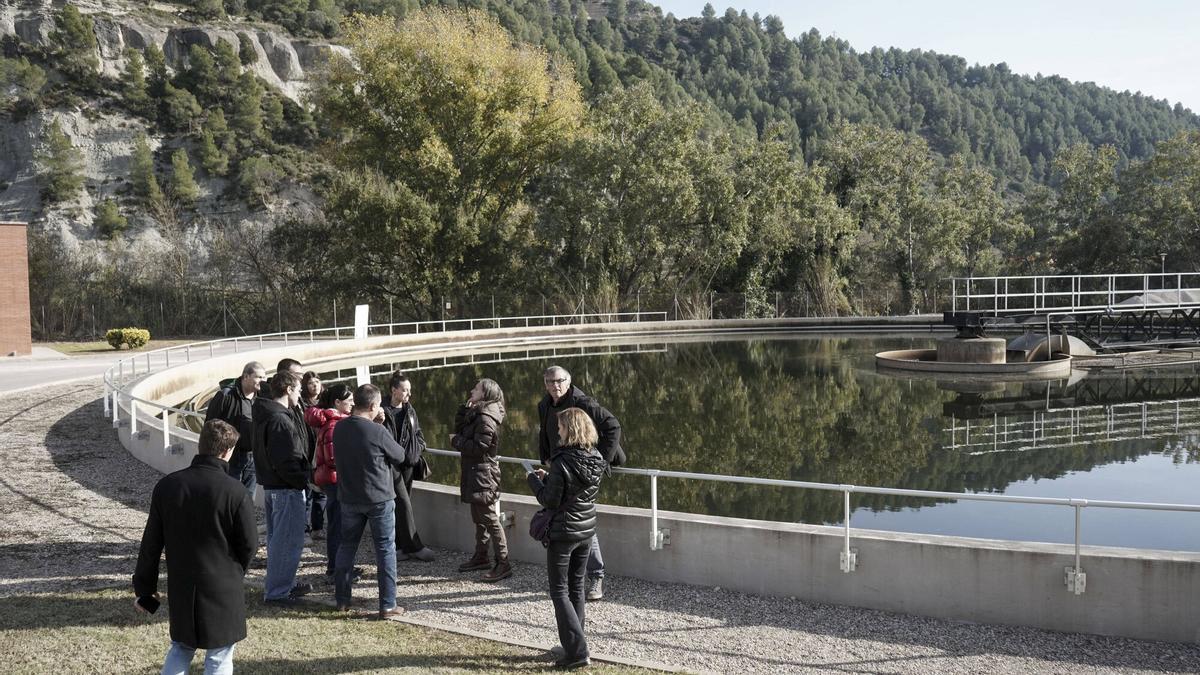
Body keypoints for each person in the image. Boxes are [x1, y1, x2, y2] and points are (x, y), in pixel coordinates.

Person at [134, 419, 258, 675]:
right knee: (220, 656)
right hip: (223, 584)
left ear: (200, 446)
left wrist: (145, 590)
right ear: (227, 452)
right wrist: (235, 573)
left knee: (181, 647)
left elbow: (151, 544)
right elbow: (248, 544)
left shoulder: (168, 486)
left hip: (183, 584)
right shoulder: (235, 491)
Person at [527, 408, 607, 670]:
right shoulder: (595, 458)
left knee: (559, 591)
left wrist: (534, 482)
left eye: (560, 428)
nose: (558, 432)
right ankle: (574, 644)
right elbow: (574, 491)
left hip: (563, 534)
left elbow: (550, 500)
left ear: (569, 429)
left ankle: (578, 652)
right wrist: (549, 478)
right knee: (575, 589)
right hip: (586, 532)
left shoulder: (562, 461)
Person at [537, 365, 623, 601]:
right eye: (549, 382)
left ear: (568, 381)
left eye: (559, 381)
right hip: (560, 467)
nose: (555, 386)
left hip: (584, 470)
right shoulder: (545, 404)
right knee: (572, 520)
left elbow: (613, 426)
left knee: (581, 519)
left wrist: (601, 462)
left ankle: (596, 575)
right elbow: (545, 432)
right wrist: (544, 457)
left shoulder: (582, 402)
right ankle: (576, 578)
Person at [331, 383, 409, 618]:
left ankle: (342, 599)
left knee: (346, 547)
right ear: (374, 406)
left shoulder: (339, 428)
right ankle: (387, 604)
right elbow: (400, 455)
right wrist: (381, 426)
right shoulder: (377, 431)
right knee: (385, 550)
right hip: (378, 498)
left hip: (348, 496)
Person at [253, 370, 313, 606]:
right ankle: (278, 592)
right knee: (287, 541)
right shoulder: (279, 419)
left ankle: (282, 584)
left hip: (273, 487)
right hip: (285, 489)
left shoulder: (266, 414)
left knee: (278, 540)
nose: (300, 395)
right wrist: (303, 479)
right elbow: (284, 460)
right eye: (298, 390)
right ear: (288, 390)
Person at [451, 378, 510, 582]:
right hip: (476, 471)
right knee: (479, 517)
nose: (471, 389)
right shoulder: (477, 412)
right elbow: (462, 430)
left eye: (476, 388)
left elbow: (479, 447)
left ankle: (503, 563)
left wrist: (456, 441)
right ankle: (481, 556)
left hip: (483, 473)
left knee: (489, 519)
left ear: (485, 394)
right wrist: (462, 411)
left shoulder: (485, 417)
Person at [381, 371, 435, 562]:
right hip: (391, 466)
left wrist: (416, 450)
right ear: (394, 390)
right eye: (405, 390)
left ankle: (400, 546)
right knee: (403, 504)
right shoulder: (381, 411)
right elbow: (383, 440)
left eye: (409, 391)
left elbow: (418, 434)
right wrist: (398, 455)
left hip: (408, 466)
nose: (408, 395)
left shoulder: (409, 410)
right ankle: (414, 546)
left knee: (403, 505)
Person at [306, 383, 353, 581]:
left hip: (332, 480)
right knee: (337, 525)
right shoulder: (334, 425)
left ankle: (338, 566)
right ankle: (336, 568)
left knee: (337, 524)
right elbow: (334, 458)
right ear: (337, 402)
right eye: (349, 401)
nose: (352, 405)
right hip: (335, 481)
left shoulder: (334, 421)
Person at [204, 361, 265, 497]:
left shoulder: (261, 398)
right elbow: (210, 426)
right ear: (245, 376)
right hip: (229, 457)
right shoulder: (226, 395)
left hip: (253, 458)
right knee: (228, 496)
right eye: (259, 377)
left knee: (248, 498)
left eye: (264, 377)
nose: (262, 381)